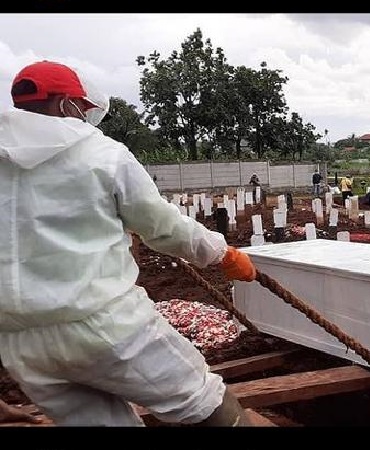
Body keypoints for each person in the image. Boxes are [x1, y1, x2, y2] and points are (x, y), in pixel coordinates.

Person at [0, 60, 258, 426]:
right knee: (203, 400)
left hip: (22, 345)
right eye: (84, 110)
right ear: (66, 105)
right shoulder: (102, 154)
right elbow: (162, 226)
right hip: (106, 326)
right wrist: (221, 253)